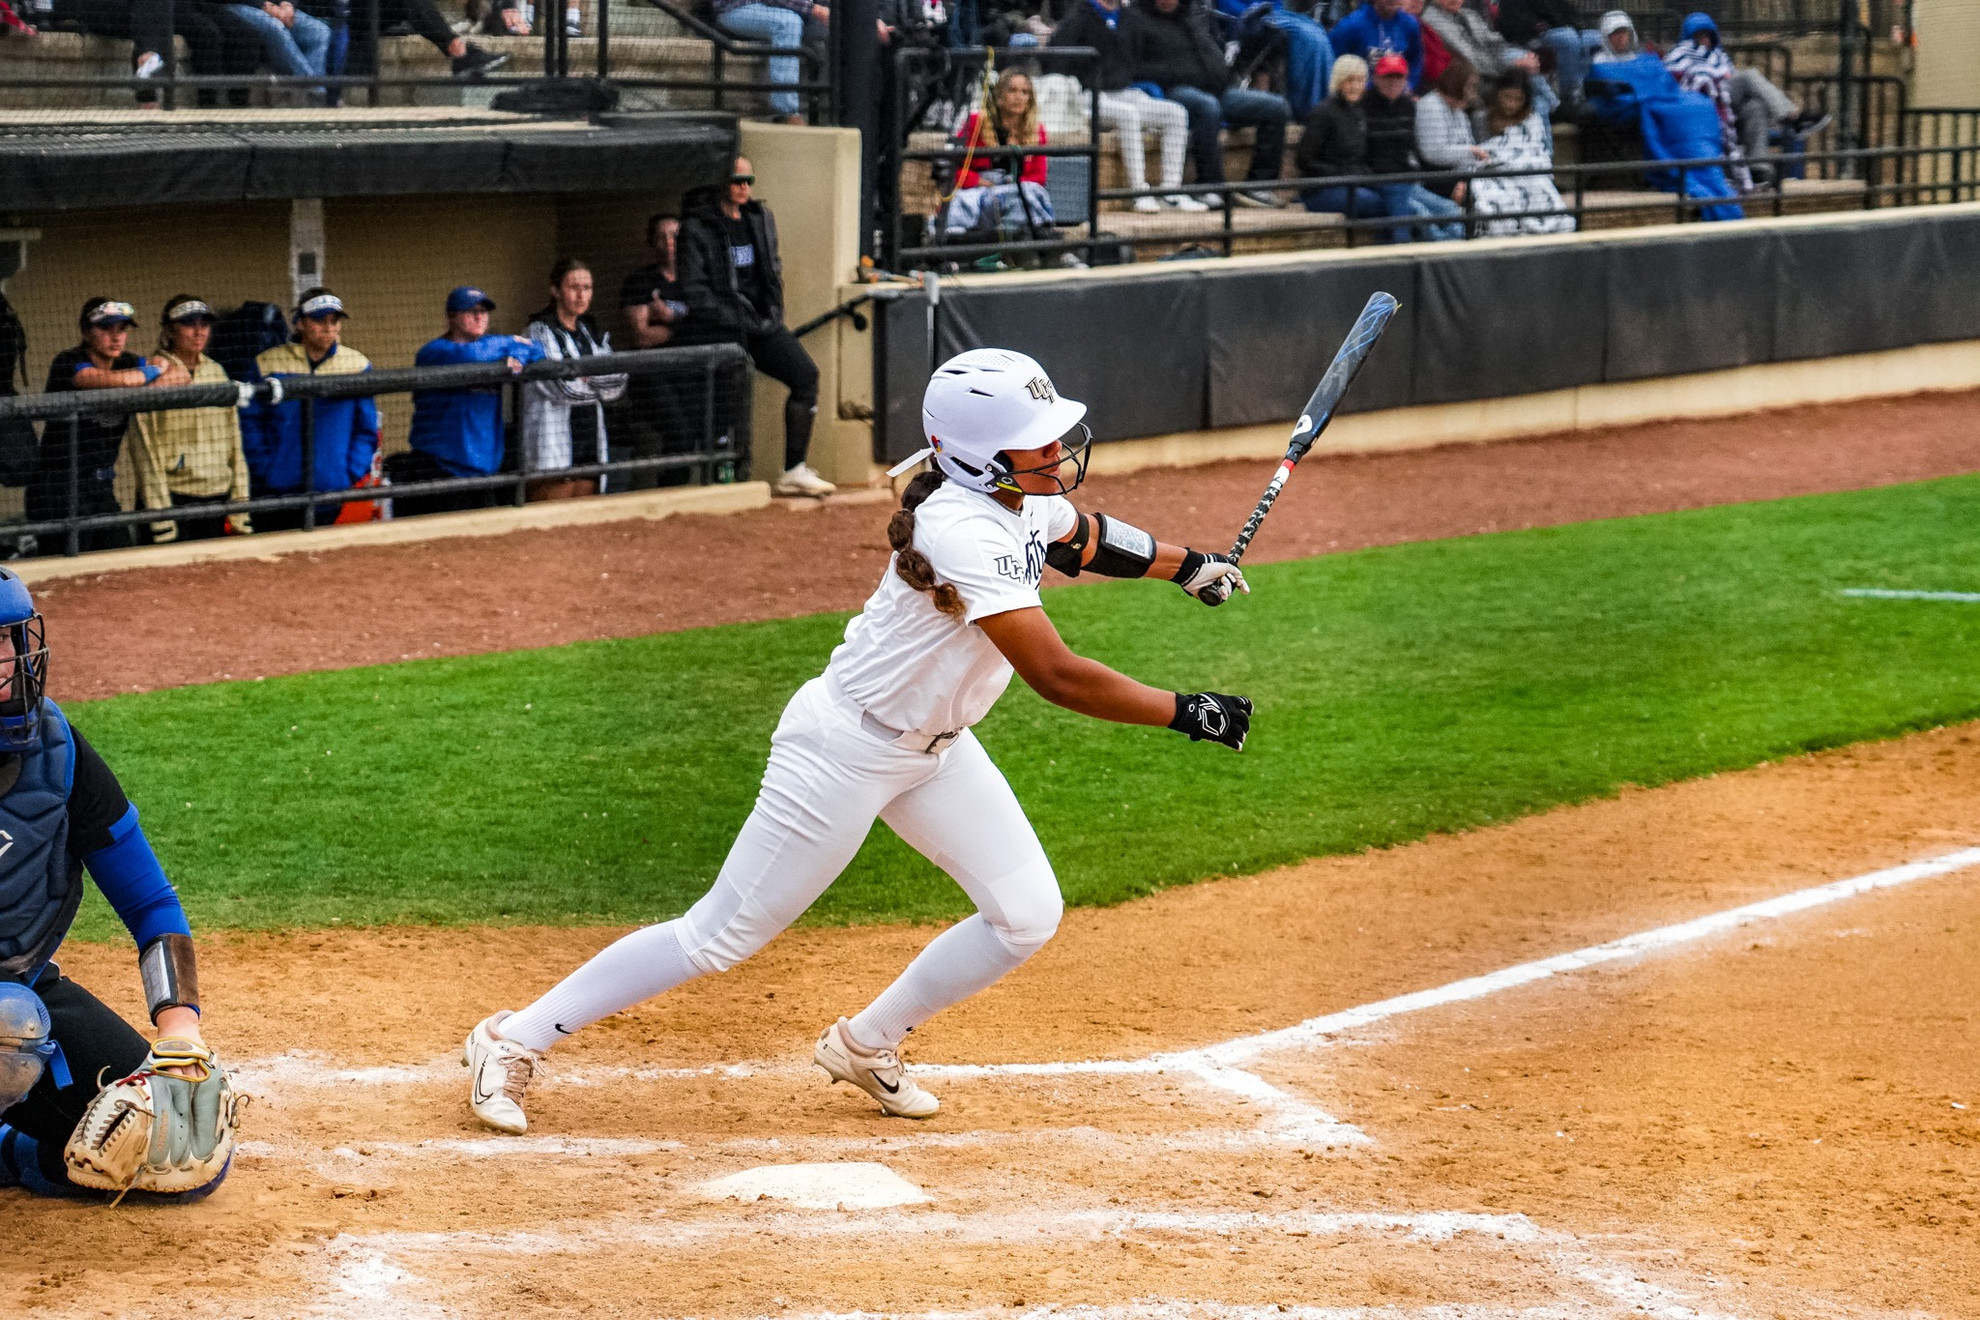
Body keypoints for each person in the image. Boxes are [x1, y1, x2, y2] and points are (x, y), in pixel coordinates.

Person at [461, 348, 1253, 1134]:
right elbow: (1059, 676)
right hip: (843, 750)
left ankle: (865, 1043)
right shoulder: (961, 531)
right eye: (1038, 442)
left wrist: (1190, 566)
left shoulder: (1019, 499)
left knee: (1024, 914)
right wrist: (1190, 711)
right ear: (983, 456)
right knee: (720, 936)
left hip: (935, 751)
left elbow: (1088, 539)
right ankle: (511, 1039)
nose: (1058, 453)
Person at [0, 569, 237, 1202]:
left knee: (161, 1149)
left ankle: (11, 1154)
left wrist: (179, 1031)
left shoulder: (56, 754)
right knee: (8, 1022)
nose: (7, 660)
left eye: (10, 640)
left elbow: (150, 902)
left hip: (16, 984)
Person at [680, 157, 835, 497]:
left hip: (761, 324)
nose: (744, 187)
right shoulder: (697, 226)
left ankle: (794, 469)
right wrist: (737, 319)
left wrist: (772, 314)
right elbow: (694, 292)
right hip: (720, 327)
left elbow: (772, 270)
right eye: (737, 180)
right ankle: (720, 478)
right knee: (727, 397)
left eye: (749, 180)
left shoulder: (758, 218)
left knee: (805, 375)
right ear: (722, 182)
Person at [30, 298, 189, 556]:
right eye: (106, 329)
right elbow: (102, 379)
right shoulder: (68, 361)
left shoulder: (127, 361)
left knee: (119, 557)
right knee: (67, 568)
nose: (116, 337)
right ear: (85, 332)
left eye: (122, 329)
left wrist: (142, 382)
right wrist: (148, 375)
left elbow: (183, 375)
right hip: (58, 488)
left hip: (101, 486)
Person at [1125, 0, 1292, 209]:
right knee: (1207, 107)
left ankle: (1258, 185)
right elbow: (1133, 68)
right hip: (1172, 91)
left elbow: (1213, 52)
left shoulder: (1193, 17)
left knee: (1276, 108)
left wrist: (1222, 72)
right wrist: (1179, 74)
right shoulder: (1135, 20)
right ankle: (1209, 187)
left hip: (1219, 89)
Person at [240, 289, 380, 531]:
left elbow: (365, 429)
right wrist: (265, 469)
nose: (328, 328)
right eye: (319, 320)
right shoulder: (267, 363)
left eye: (334, 321)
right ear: (299, 324)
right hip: (274, 490)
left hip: (330, 488)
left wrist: (348, 474)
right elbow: (249, 423)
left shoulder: (357, 365)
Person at [397, 287, 543, 515]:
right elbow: (470, 356)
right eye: (471, 311)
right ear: (451, 317)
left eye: (484, 311)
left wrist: (519, 355)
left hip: (484, 469)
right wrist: (511, 346)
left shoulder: (494, 351)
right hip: (442, 467)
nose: (479, 317)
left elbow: (537, 348)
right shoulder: (434, 352)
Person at [1050, 0, 1202, 213]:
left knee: (1175, 113)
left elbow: (1138, 59)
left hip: (1123, 92)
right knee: (1128, 115)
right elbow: (1056, 60)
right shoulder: (1080, 15)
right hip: (1086, 95)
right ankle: (1138, 192)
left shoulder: (1130, 17)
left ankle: (1170, 191)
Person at [130, 296, 252, 544]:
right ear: (169, 330)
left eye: (204, 324)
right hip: (173, 500)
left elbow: (235, 445)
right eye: (189, 324)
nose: (198, 332)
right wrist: (160, 518)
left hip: (216, 497)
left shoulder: (217, 372)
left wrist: (240, 507)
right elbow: (145, 453)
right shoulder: (151, 376)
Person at [1665, 11, 1826, 187]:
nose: (1704, 40)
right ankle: (1792, 117)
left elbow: (1728, 76)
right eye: (1699, 35)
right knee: (1749, 76)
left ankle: (1757, 168)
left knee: (1755, 106)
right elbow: (1682, 80)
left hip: (1725, 104)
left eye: (1707, 36)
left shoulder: (1719, 56)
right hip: (1701, 102)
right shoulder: (1680, 54)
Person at [523, 259, 628, 502]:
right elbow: (561, 387)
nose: (581, 295)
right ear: (555, 290)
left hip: (590, 434)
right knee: (549, 517)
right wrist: (596, 383)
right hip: (552, 441)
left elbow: (619, 380)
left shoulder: (590, 331)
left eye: (587, 287)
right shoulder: (538, 330)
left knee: (586, 514)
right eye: (573, 287)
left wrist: (586, 379)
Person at [944, 68, 1058, 242]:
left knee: (1028, 194)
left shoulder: (1038, 131)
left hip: (1017, 192)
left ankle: (1020, 238)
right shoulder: (976, 123)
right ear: (999, 96)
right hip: (981, 191)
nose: (1019, 97)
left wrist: (1010, 186)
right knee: (960, 203)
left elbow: (1038, 177)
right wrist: (979, 181)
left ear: (1030, 99)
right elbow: (953, 170)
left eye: (1025, 92)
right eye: (1012, 91)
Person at [1364, 53, 1463, 240]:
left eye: (1398, 77)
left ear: (1405, 79)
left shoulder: (1409, 107)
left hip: (1408, 180)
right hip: (1380, 182)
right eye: (1388, 77)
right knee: (1421, 214)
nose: (1393, 82)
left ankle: (1454, 255)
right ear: (1376, 78)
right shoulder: (1362, 107)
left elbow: (1413, 149)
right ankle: (1441, 257)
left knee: (1451, 210)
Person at [1469, 69, 1573, 234]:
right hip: (1493, 176)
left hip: (1529, 174)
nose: (1511, 104)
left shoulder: (1532, 121)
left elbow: (1538, 152)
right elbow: (1479, 156)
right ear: (1497, 95)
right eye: (1507, 97)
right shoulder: (1481, 119)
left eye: (1518, 99)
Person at [1418, 0, 1554, 122]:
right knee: (1530, 88)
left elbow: (1498, 43)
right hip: (1475, 81)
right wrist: (1512, 65)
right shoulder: (1433, 19)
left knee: (1538, 101)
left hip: (1492, 71)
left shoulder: (1469, 15)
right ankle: (1554, 103)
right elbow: (1471, 58)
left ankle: (1550, 108)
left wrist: (1522, 59)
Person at [1295, 55, 1386, 223]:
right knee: (1382, 203)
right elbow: (1304, 160)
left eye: (1360, 81)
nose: (1356, 86)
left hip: (1356, 182)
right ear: (1339, 82)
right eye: (1350, 81)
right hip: (1323, 189)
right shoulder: (1323, 113)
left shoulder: (1360, 111)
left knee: (1399, 196)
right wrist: (1342, 173)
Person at [1212, 0, 1333, 119]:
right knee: (1308, 39)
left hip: (1274, 15)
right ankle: (1307, 108)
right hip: (1243, 19)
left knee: (1318, 33)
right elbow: (1230, 9)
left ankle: (1322, 107)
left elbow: (1276, 5)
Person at [711, 0, 826, 124]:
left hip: (774, 7)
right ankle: (787, 113)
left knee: (836, 22)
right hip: (736, 8)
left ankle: (835, 110)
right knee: (788, 22)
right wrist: (816, 10)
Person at [1492, 0, 1599, 112]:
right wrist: (1541, 26)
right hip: (1529, 37)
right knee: (1567, 38)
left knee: (1593, 37)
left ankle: (1588, 90)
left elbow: (1569, 14)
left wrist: (1573, 26)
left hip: (1557, 29)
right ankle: (1570, 95)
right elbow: (1513, 23)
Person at [1414, 56, 1485, 204]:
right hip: (1434, 176)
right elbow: (1433, 153)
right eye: (1470, 87)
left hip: (1460, 175)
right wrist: (1471, 151)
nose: (1472, 94)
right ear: (1457, 84)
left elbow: (1467, 144)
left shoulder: (1459, 110)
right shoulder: (1430, 106)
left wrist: (1466, 178)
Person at [213, 0, 330, 80]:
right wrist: (265, 5)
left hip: (281, 8)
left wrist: (289, 4)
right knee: (275, 27)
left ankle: (313, 90)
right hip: (240, 5)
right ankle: (316, 91)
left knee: (321, 33)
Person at [1326, 0, 1422, 91]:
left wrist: (1408, 85)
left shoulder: (1410, 24)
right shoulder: (1352, 25)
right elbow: (1329, 60)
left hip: (1395, 97)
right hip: (1358, 97)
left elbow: (1415, 60)